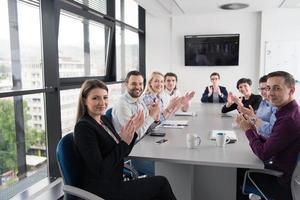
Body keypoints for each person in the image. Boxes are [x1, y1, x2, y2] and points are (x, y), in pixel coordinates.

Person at [73, 79, 177, 200]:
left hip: (115, 182)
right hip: (102, 190)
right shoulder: (84, 127)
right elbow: (100, 169)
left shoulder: (104, 120)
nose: (102, 102)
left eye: (105, 97)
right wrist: (123, 143)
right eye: (95, 98)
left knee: (158, 187)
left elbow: (124, 151)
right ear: (85, 100)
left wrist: (132, 132)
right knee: (161, 183)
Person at [236, 71, 300, 200]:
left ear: (291, 90)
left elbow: (264, 154)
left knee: (232, 175)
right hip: (281, 172)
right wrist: (253, 128)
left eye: (277, 88)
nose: (270, 93)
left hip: (280, 183)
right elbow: (273, 139)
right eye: (268, 88)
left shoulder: (288, 119)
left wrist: (248, 130)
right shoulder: (288, 111)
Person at [112, 71, 160, 176]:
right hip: (131, 152)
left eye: (140, 84)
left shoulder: (139, 100)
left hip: (144, 145)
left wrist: (155, 118)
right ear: (126, 85)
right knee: (163, 170)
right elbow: (134, 136)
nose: (138, 87)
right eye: (134, 84)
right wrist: (151, 116)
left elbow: (146, 125)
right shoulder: (122, 104)